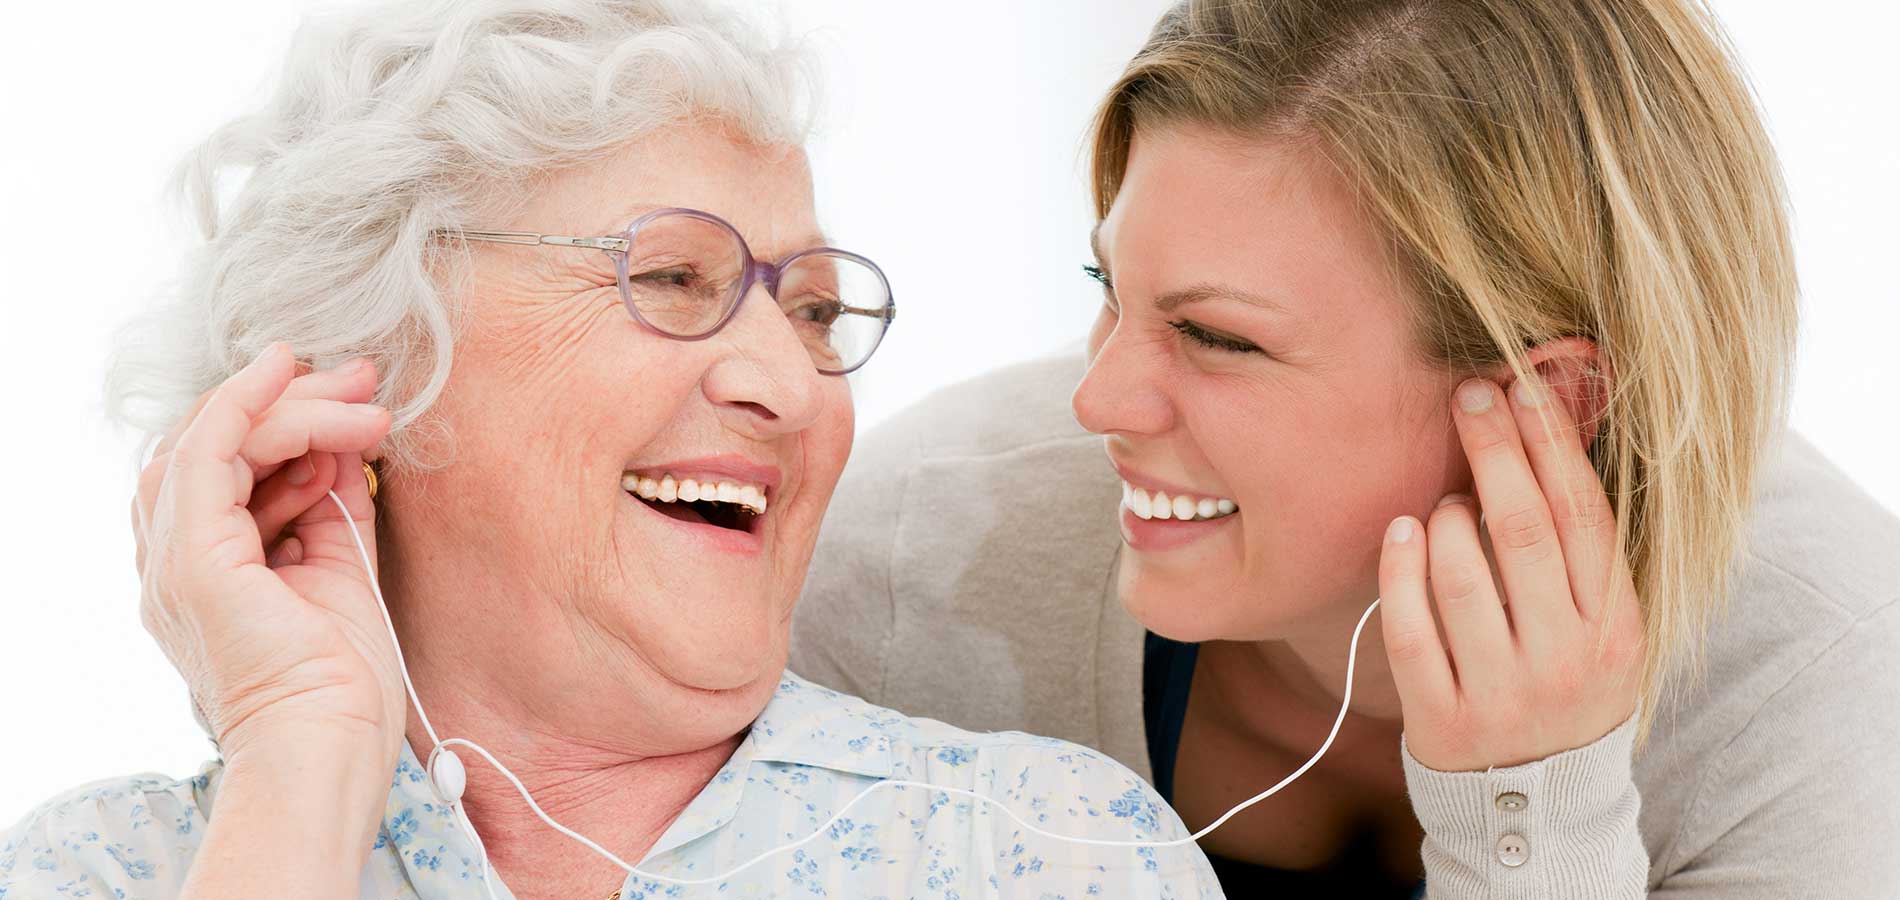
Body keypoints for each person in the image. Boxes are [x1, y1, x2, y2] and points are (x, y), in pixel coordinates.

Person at [0, 2, 1223, 898]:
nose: (790, 383)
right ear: (364, 374)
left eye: (809, 310)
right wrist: (299, 763)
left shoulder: (1048, 850)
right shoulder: (110, 871)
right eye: (671, 278)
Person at [792, 0, 1900, 897]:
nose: (1098, 399)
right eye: (1105, 288)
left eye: (1217, 337)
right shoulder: (910, 567)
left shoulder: (1819, 692)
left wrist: (1534, 819)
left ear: (1548, 400)